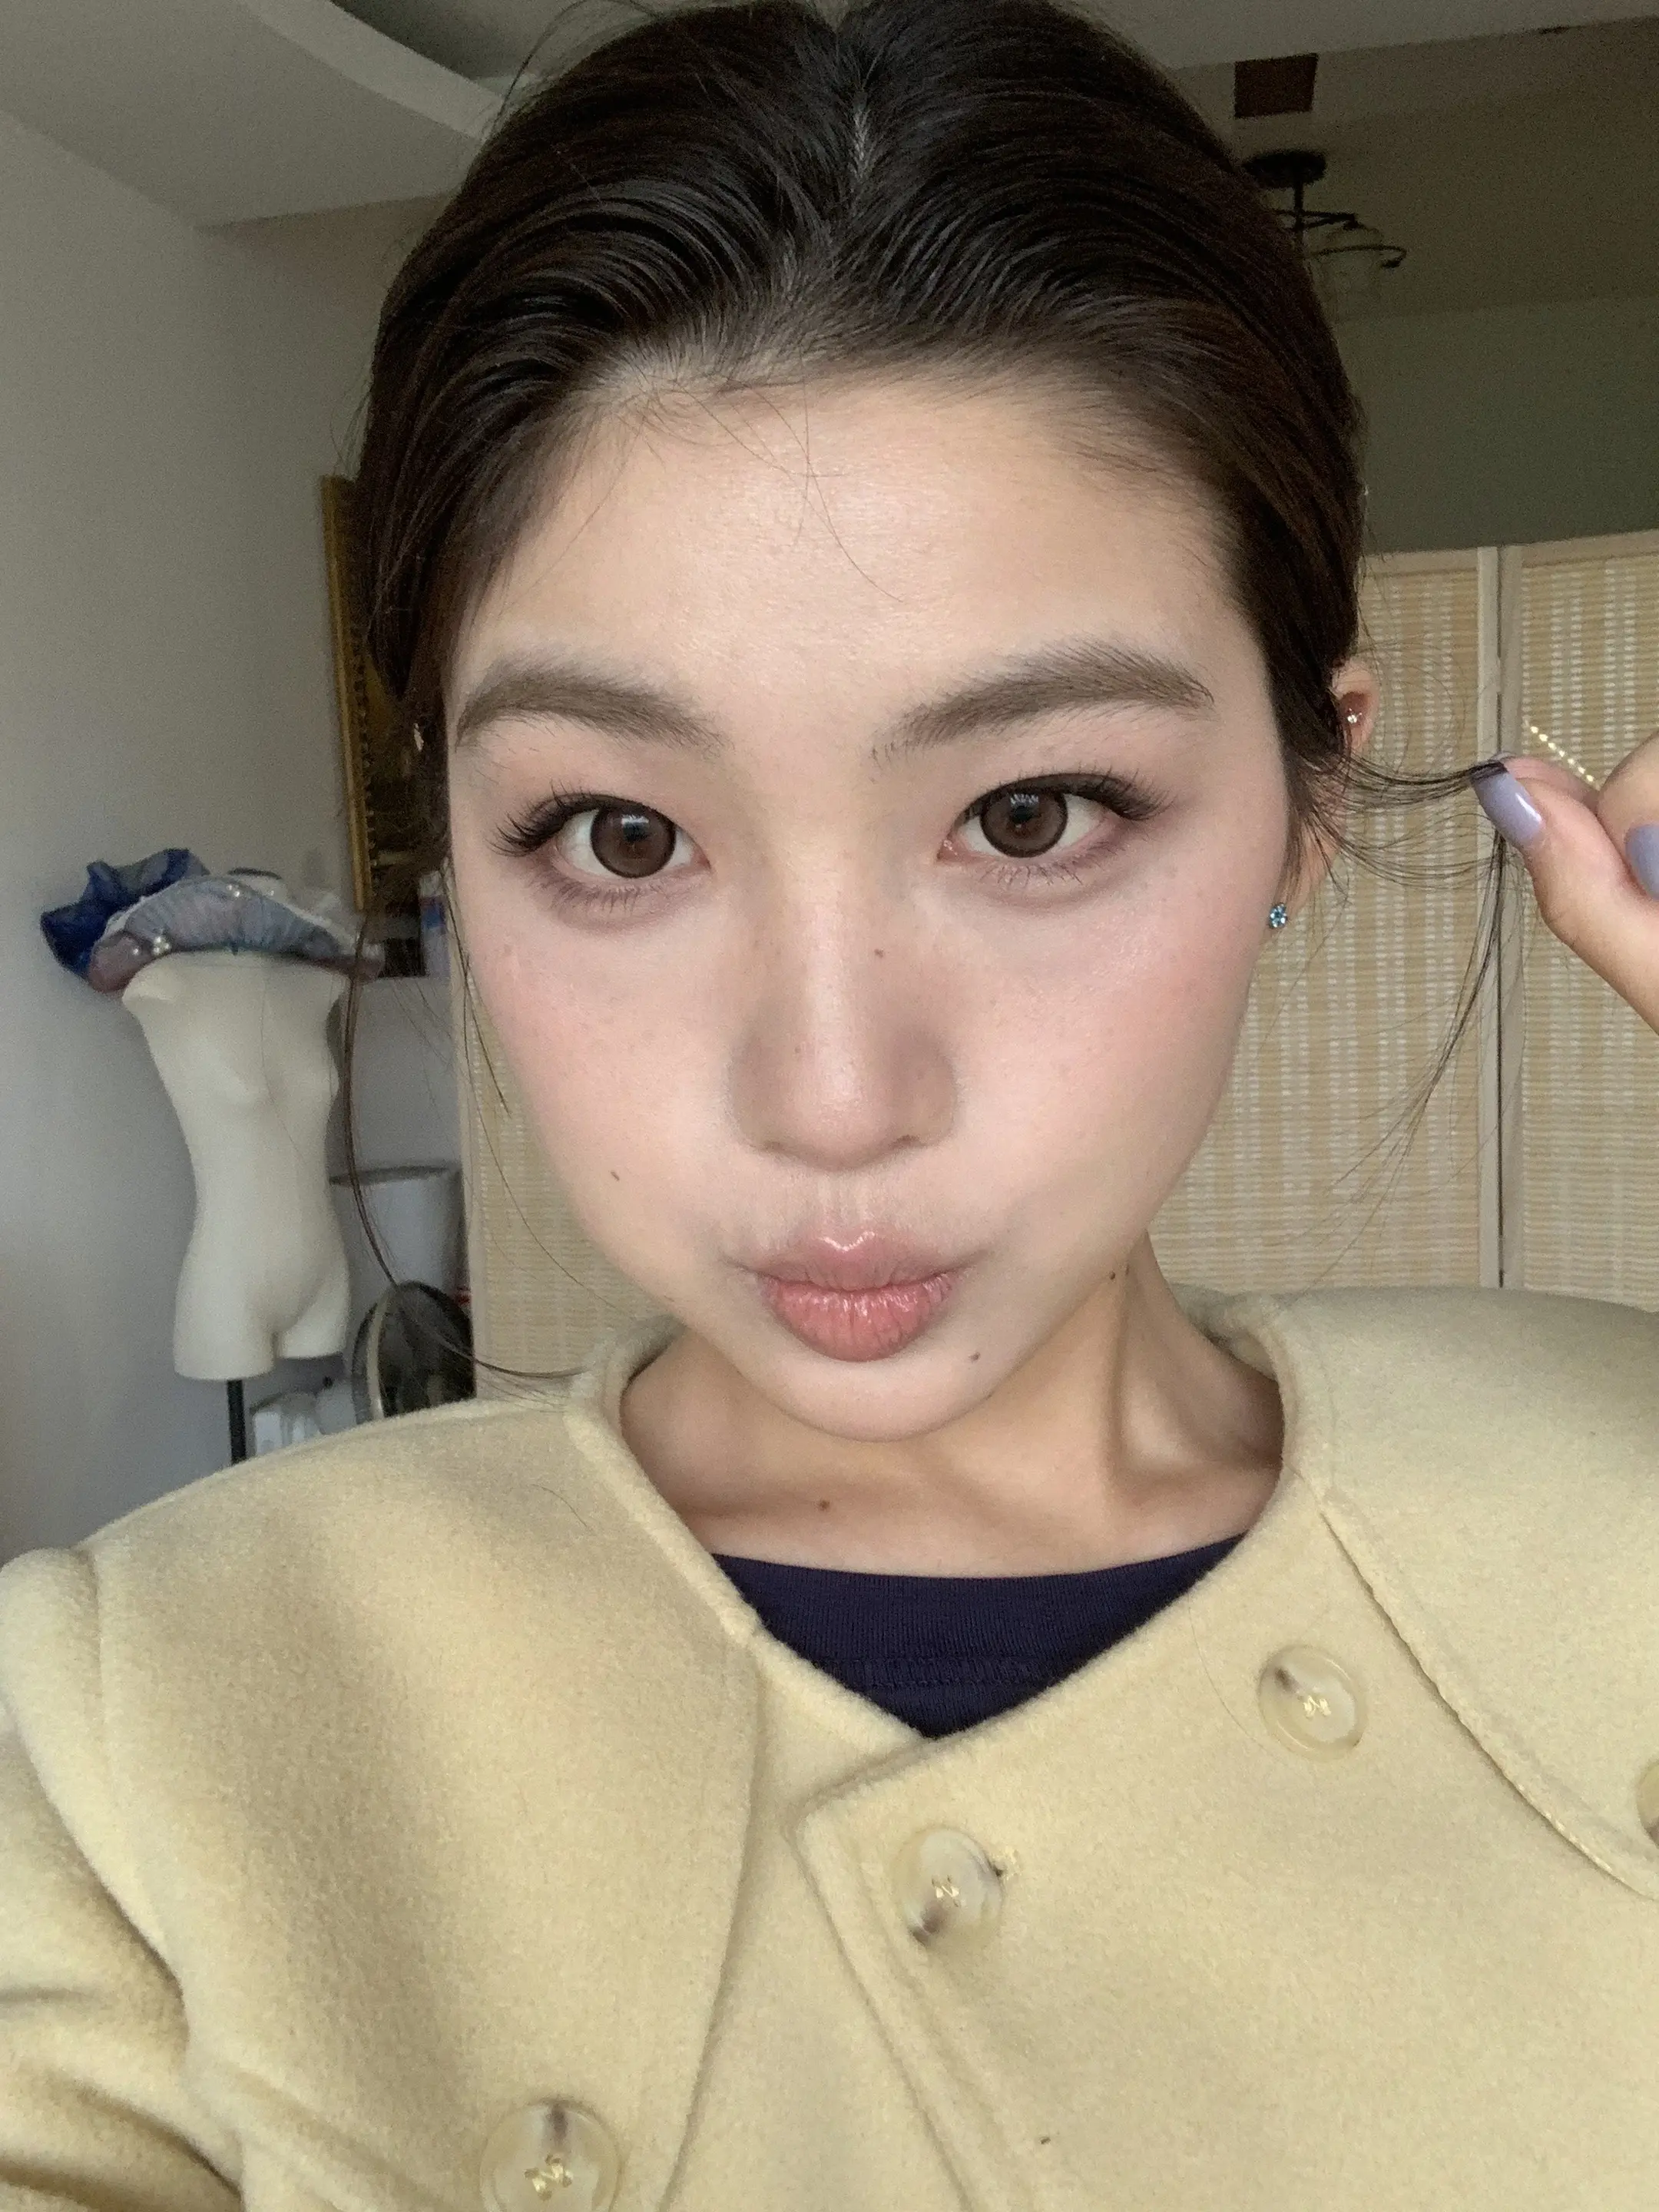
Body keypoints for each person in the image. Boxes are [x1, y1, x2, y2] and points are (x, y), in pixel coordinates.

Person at [4, 2, 1657, 2204]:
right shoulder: (131, 1733)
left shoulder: (1629, 1490)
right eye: (619, 836)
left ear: (1308, 798)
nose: (833, 1098)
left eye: (1035, 811)